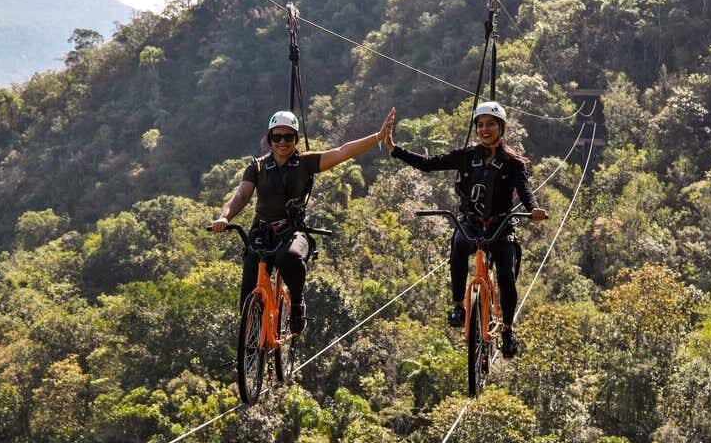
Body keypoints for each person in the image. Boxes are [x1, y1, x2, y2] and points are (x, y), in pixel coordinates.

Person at [383, 101, 546, 357]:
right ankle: (459, 305)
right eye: (480, 125)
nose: (484, 129)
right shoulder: (467, 157)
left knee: (506, 275)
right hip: (471, 223)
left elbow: (524, 189)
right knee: (459, 245)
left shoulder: (513, 163)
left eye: (490, 124)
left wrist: (534, 208)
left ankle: (508, 329)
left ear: (501, 128)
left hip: (500, 226)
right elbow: (429, 163)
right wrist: (394, 149)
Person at [212, 108, 395, 335]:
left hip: (293, 231)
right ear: (269, 139)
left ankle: (297, 305)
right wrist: (224, 217)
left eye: (288, 137)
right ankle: (250, 343)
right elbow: (241, 196)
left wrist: (378, 137)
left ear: (296, 139)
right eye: (277, 137)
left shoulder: (305, 163)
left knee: (289, 258)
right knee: (250, 276)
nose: (283, 142)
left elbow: (342, 151)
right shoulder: (257, 167)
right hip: (262, 231)